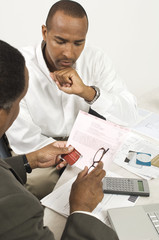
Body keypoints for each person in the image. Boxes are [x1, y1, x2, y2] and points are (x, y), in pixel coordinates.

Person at [6, 0, 137, 198]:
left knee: (116, 182)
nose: (69, 52)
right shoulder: (21, 66)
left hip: (84, 141)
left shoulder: (96, 59)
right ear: (44, 33)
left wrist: (88, 92)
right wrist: (68, 154)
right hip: (38, 147)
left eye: (78, 43)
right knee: (43, 188)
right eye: (60, 41)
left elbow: (130, 115)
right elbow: (24, 140)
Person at [0, 39, 118, 240]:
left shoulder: (97, 60)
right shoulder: (17, 208)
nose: (68, 53)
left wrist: (29, 159)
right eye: (20, 100)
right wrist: (81, 209)